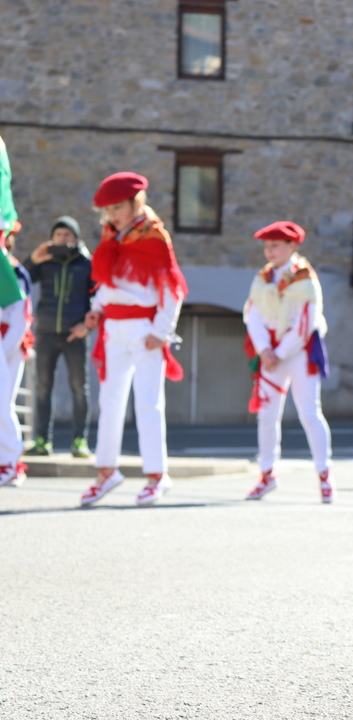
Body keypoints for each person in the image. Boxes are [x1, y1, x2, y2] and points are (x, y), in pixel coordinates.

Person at [79, 172, 186, 507]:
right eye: (107, 210)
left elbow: (172, 289)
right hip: (113, 328)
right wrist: (96, 309)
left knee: (148, 402)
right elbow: (107, 281)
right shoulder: (112, 235)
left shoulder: (155, 236)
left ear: (135, 203)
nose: (111, 215)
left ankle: (157, 475)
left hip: (145, 329)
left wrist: (161, 331)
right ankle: (106, 471)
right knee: (109, 401)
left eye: (117, 208)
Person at [242, 221, 334, 503]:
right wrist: (264, 350)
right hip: (270, 351)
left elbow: (306, 322)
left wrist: (279, 353)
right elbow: (253, 314)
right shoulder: (262, 279)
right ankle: (267, 474)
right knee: (267, 414)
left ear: (292, 246)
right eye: (267, 246)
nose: (270, 251)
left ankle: (324, 475)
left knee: (309, 412)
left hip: (299, 351)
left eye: (276, 245)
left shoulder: (305, 279)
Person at [24, 216, 93, 458]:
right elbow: (20, 280)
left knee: (79, 388)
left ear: (76, 238)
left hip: (75, 335)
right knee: (43, 388)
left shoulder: (87, 263)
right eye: (58, 235)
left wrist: (87, 326)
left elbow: (99, 295)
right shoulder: (45, 261)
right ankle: (42, 440)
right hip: (45, 333)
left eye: (67, 234)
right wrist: (33, 259)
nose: (63, 239)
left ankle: (79, 441)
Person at [0, 224, 31, 486]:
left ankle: (10, 463)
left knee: (3, 403)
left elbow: (21, 316)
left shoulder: (14, 271)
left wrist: (5, 349)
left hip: (10, 343)